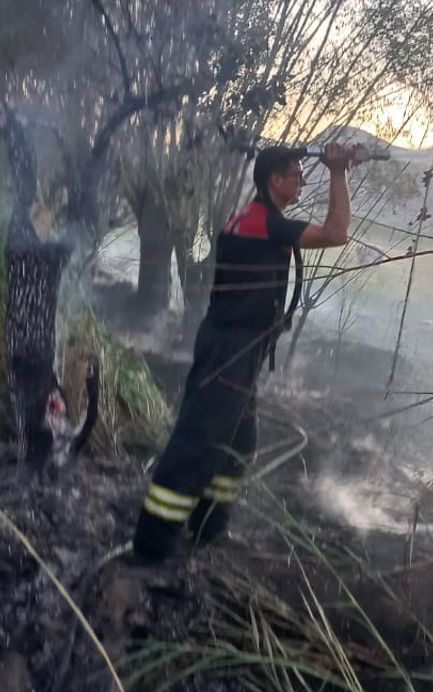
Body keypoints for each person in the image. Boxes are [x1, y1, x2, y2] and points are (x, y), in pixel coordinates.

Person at [131, 142, 363, 563]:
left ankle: (208, 530)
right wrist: (337, 172)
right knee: (197, 442)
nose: (301, 180)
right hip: (230, 348)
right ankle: (152, 546)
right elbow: (336, 234)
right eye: (296, 174)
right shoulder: (263, 223)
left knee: (239, 442)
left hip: (237, 345)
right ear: (274, 179)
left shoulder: (254, 219)